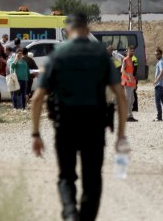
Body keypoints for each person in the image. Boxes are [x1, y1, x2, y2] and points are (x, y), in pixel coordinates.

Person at [31, 14, 128, 221]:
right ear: (87, 28)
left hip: (64, 124)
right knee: (92, 178)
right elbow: (120, 95)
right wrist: (121, 135)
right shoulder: (101, 54)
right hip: (94, 125)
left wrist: (36, 134)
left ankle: (70, 215)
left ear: (67, 30)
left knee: (66, 176)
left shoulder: (57, 55)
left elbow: (38, 97)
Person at [121, 46, 138, 122]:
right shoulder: (126, 59)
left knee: (132, 99)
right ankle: (128, 116)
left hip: (131, 83)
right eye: (130, 51)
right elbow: (122, 70)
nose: (131, 52)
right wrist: (128, 76)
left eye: (132, 51)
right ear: (127, 52)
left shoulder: (131, 60)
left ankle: (129, 115)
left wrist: (134, 82)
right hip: (127, 83)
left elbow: (132, 73)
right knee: (128, 100)